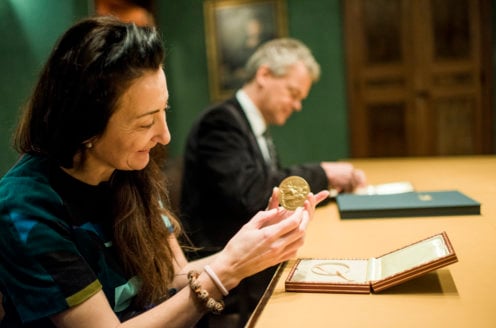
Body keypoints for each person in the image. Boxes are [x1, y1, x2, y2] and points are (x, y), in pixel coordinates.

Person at [0, 16, 329, 327]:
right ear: (86, 126)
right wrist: (227, 271)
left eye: (164, 111)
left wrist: (256, 249)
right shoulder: (27, 207)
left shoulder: (129, 168)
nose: (164, 136)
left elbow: (171, 277)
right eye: (146, 122)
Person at [180, 37, 367, 324]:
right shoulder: (220, 123)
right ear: (264, 75)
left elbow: (269, 183)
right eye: (293, 93)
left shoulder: (253, 124)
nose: (297, 105)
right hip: (220, 258)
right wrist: (325, 172)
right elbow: (251, 192)